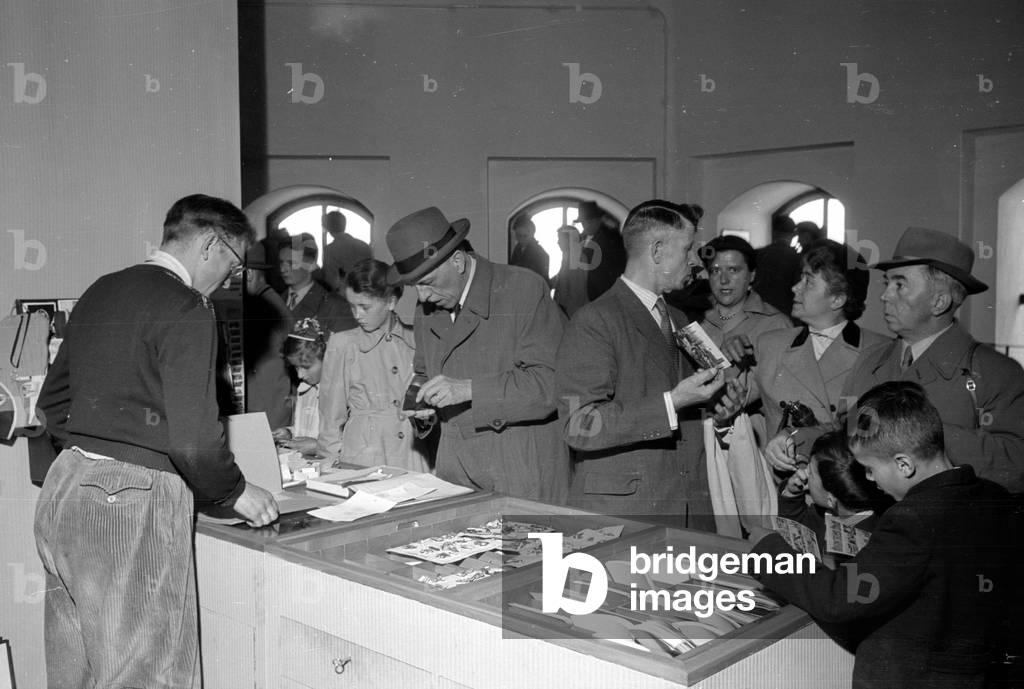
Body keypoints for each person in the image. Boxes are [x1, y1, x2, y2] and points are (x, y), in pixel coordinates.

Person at [33, 194, 279, 687]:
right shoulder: (187, 307)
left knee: (75, 674)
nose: (228, 280)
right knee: (147, 676)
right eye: (232, 266)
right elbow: (193, 443)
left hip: (63, 489)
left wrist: (96, 453)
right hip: (130, 502)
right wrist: (235, 494)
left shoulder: (103, 289)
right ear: (211, 244)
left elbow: (51, 401)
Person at [748, 381, 1014, 689]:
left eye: (870, 468)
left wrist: (767, 550)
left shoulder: (912, 520)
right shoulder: (995, 496)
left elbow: (838, 599)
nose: (869, 479)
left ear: (904, 464)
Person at [556, 200, 738, 527]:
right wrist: (674, 401)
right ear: (656, 251)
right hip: (627, 514)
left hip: (684, 506)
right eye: (686, 250)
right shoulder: (594, 320)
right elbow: (578, 425)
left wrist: (718, 415)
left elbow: (686, 410)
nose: (696, 262)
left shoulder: (678, 317)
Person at [385, 206, 569, 502]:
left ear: (457, 262)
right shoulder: (428, 308)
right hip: (455, 475)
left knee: (525, 549)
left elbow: (550, 386)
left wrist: (467, 389)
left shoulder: (522, 289)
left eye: (427, 282)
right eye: (413, 287)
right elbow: (423, 373)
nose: (421, 297)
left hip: (520, 472)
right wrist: (419, 404)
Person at [845, 226, 1024, 494]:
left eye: (900, 284)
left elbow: (1016, 464)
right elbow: (845, 426)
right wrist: (795, 440)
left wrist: (924, 433)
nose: (885, 295)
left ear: (939, 302)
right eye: (887, 283)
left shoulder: (996, 372)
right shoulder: (870, 360)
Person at [726, 239, 889, 465]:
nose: (795, 288)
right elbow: (736, 396)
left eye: (808, 282)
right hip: (780, 481)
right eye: (800, 277)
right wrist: (730, 359)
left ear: (838, 299)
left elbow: (865, 433)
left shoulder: (878, 352)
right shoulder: (771, 344)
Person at [317, 259, 431, 472]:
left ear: (391, 302)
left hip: (413, 455)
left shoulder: (418, 340)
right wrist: (330, 466)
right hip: (364, 458)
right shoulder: (343, 344)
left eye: (364, 307)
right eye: (351, 305)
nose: (357, 315)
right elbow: (330, 417)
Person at [778, 428, 891, 559]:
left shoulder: (854, 549)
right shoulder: (830, 510)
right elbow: (795, 533)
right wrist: (792, 495)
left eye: (812, 473)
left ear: (831, 499)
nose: (805, 471)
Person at [700, 234, 791, 349]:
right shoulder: (693, 316)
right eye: (715, 271)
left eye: (733, 270)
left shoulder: (775, 324)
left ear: (752, 275)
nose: (724, 280)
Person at [242, 241, 294, 429]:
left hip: (266, 411)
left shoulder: (262, 309)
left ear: (248, 275)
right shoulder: (271, 302)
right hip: (269, 408)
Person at [279, 232, 357, 334]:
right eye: (281, 262)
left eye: (291, 263)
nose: (283, 269)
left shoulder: (335, 307)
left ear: (310, 264)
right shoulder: (274, 301)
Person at [275, 317, 327, 454]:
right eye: (296, 368)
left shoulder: (340, 393)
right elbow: (308, 429)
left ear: (327, 359)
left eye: (306, 367)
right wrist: (290, 433)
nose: (300, 375)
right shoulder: (306, 388)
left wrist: (318, 447)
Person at [576, 200, 627, 302]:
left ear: (596, 220)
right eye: (583, 223)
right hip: (589, 294)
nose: (584, 226)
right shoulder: (583, 237)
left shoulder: (612, 238)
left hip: (605, 294)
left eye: (586, 222)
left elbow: (617, 268)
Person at [752, 215, 801, 316]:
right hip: (787, 312)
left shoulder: (758, 254)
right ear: (793, 234)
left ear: (773, 232)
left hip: (759, 309)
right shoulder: (797, 258)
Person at [321, 210, 372, 290]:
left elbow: (331, 280)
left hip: (343, 296)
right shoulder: (364, 245)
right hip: (366, 293)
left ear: (328, 228)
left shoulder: (330, 250)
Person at [552, 224, 589, 318]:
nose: (558, 242)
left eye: (560, 239)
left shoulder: (576, 258)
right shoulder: (568, 256)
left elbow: (577, 293)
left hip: (571, 312)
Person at [508, 215, 550, 282]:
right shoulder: (517, 249)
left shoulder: (540, 253)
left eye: (525, 236)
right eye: (518, 236)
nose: (521, 239)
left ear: (532, 234)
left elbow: (541, 280)